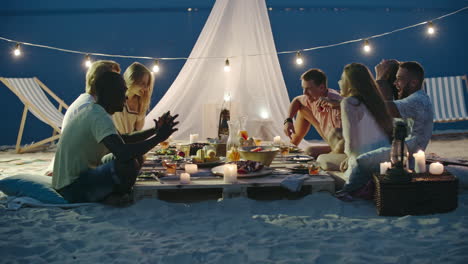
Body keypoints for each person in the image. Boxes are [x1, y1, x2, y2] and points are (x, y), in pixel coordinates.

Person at [52, 72, 178, 205]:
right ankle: (113, 196)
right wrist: (158, 138)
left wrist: (155, 130)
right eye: (122, 91)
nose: (125, 97)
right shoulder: (98, 116)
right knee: (128, 164)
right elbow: (122, 153)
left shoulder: (96, 111)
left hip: (73, 181)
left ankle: (109, 193)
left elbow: (124, 139)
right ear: (109, 93)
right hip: (71, 189)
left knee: (137, 156)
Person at [44, 60, 121, 176]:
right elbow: (116, 145)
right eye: (115, 80)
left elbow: (116, 138)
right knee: (125, 161)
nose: (119, 85)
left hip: (82, 163)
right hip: (75, 172)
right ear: (102, 83)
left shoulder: (92, 102)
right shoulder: (89, 107)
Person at [335, 63, 393, 197]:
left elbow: (350, 142)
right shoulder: (376, 102)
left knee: (323, 165)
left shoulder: (349, 103)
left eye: (342, 79)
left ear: (350, 83)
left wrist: (350, 158)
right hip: (384, 159)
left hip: (364, 164)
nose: (339, 82)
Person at [283, 69, 344, 156]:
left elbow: (353, 107)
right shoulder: (312, 98)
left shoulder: (336, 101)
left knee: (310, 150)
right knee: (302, 109)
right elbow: (296, 100)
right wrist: (288, 121)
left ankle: (292, 149)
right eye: (303, 88)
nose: (305, 93)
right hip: (327, 135)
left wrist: (337, 105)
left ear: (322, 87)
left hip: (340, 144)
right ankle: (292, 146)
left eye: (308, 89)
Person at [386, 61, 433, 152]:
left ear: (413, 83)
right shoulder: (417, 98)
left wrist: (380, 79)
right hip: (403, 153)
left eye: (399, 79)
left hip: (407, 159)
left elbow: (383, 108)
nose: (395, 83)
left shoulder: (417, 100)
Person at [113, 62, 154, 134]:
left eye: (147, 84)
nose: (146, 88)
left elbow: (137, 132)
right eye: (142, 83)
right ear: (132, 80)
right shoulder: (114, 98)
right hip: (114, 143)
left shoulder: (141, 103)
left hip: (130, 143)